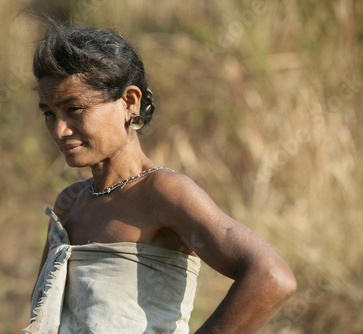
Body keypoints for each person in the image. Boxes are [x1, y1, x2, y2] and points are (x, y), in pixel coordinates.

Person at [24, 21, 296, 334]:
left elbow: (271, 277)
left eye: (73, 108)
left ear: (129, 102)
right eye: (48, 113)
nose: (59, 129)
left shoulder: (163, 192)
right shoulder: (69, 205)